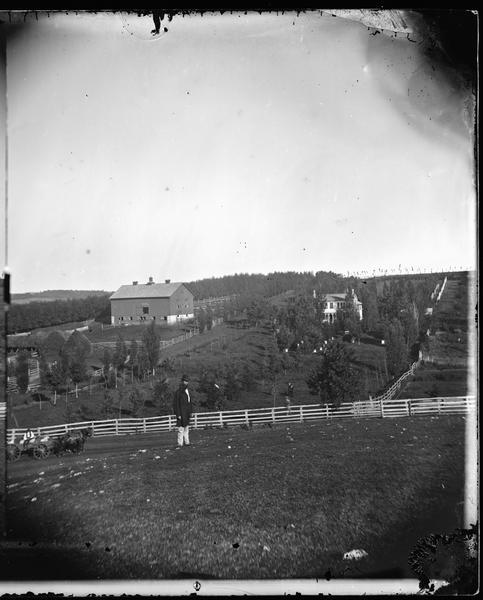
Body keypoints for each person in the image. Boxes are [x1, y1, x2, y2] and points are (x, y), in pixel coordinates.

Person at [173, 374, 192, 448]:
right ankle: (180, 443)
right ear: (182, 381)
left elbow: (189, 402)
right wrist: (178, 414)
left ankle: (187, 442)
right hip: (181, 413)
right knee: (181, 429)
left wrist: (190, 412)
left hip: (186, 413)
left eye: (187, 381)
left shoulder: (187, 391)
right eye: (185, 381)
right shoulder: (178, 392)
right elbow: (176, 404)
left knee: (186, 428)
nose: (186, 383)